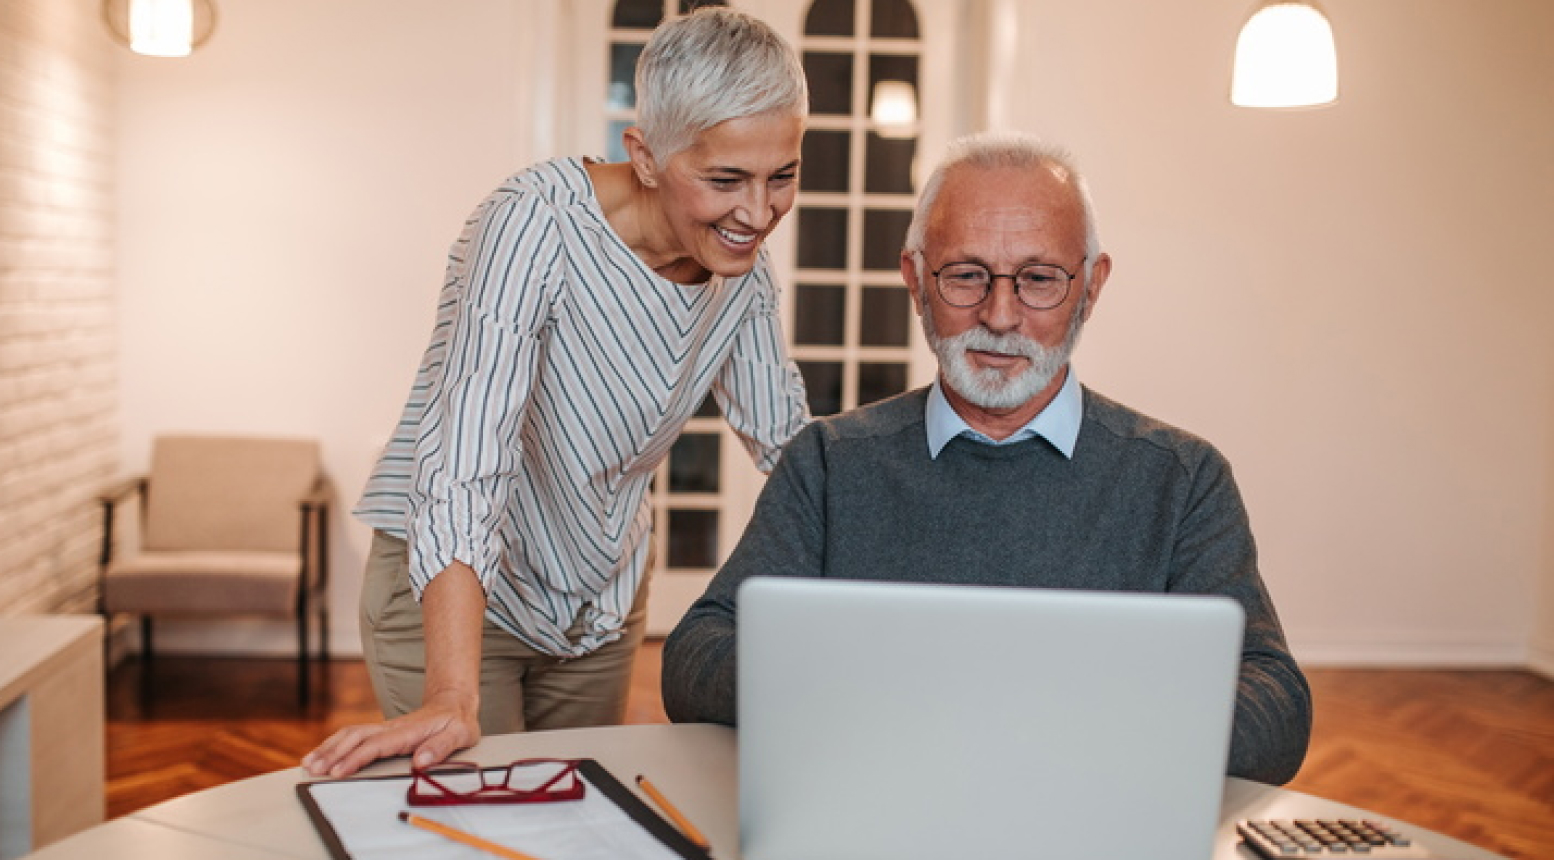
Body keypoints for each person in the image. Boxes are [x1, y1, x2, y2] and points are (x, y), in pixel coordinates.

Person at [661, 130, 1313, 785]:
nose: (1000, 316)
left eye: (1039, 279)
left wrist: (1053, 727)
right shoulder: (830, 463)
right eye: (966, 275)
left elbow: (1276, 708)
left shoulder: (1182, 478)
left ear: (1091, 288)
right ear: (916, 280)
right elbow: (696, 656)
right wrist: (863, 693)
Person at [304, 8, 811, 779]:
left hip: (596, 599)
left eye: (783, 176)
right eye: (725, 180)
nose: (758, 212)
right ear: (645, 156)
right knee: (475, 810)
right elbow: (466, 463)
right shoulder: (533, 225)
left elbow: (786, 441)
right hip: (455, 591)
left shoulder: (739, 270)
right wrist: (451, 692)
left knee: (575, 813)